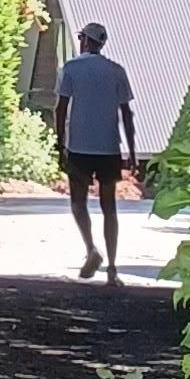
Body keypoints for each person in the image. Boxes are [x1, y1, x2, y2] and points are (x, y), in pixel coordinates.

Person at [54, 17, 138, 283]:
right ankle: (112, 269)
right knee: (109, 206)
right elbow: (127, 114)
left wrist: (60, 143)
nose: (80, 42)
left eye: (81, 38)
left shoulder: (71, 68)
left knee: (78, 202)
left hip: (79, 145)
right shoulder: (116, 71)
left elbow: (61, 107)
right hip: (109, 146)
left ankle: (91, 249)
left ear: (87, 41)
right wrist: (132, 151)